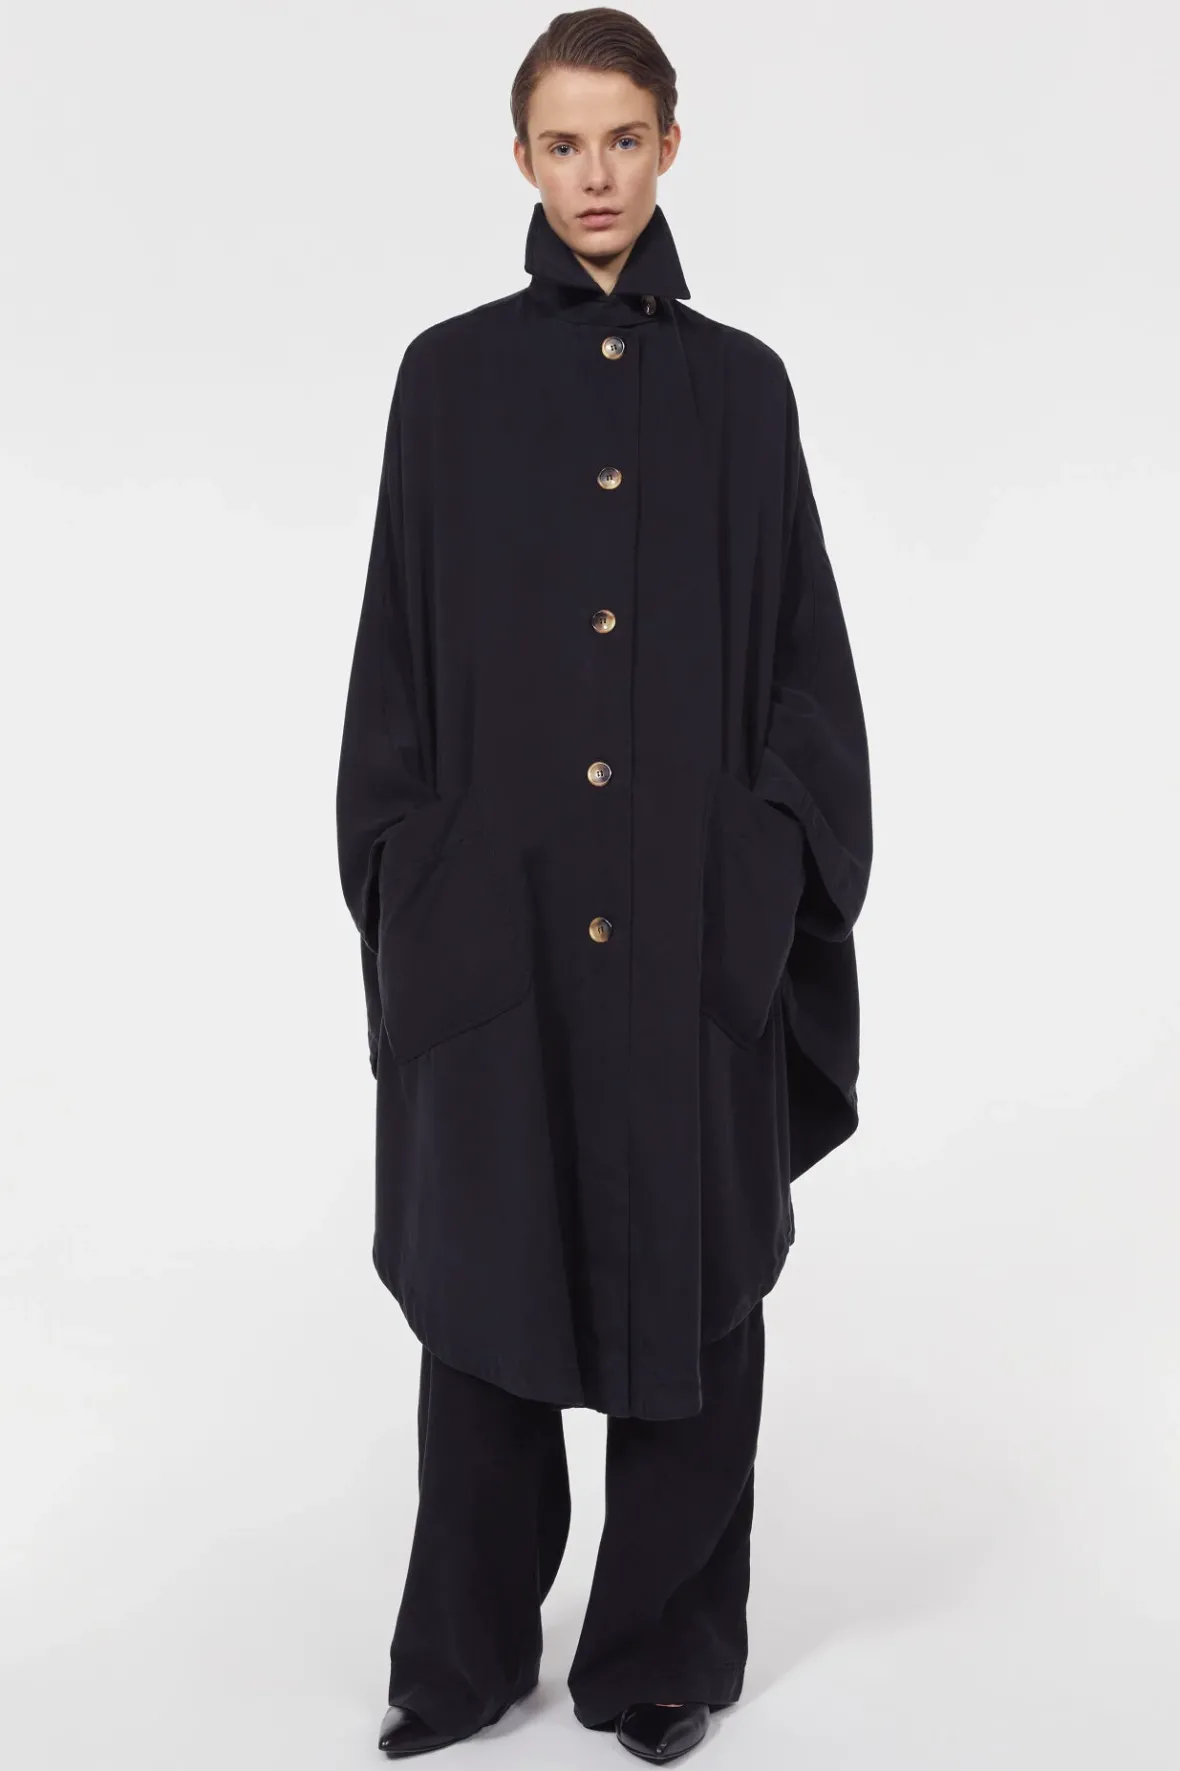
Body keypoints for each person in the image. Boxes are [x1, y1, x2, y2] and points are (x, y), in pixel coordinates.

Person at [334, 7, 872, 1761]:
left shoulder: (743, 391)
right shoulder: (447, 380)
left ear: (669, 147)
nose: (594, 177)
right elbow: (394, 660)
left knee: (693, 1284)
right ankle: (464, 1652)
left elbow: (804, 671)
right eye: (562, 144)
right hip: (492, 914)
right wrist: (408, 870)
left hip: (692, 914)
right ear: (520, 157)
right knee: (485, 1281)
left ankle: (658, 1652)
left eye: (623, 140)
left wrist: (766, 860)